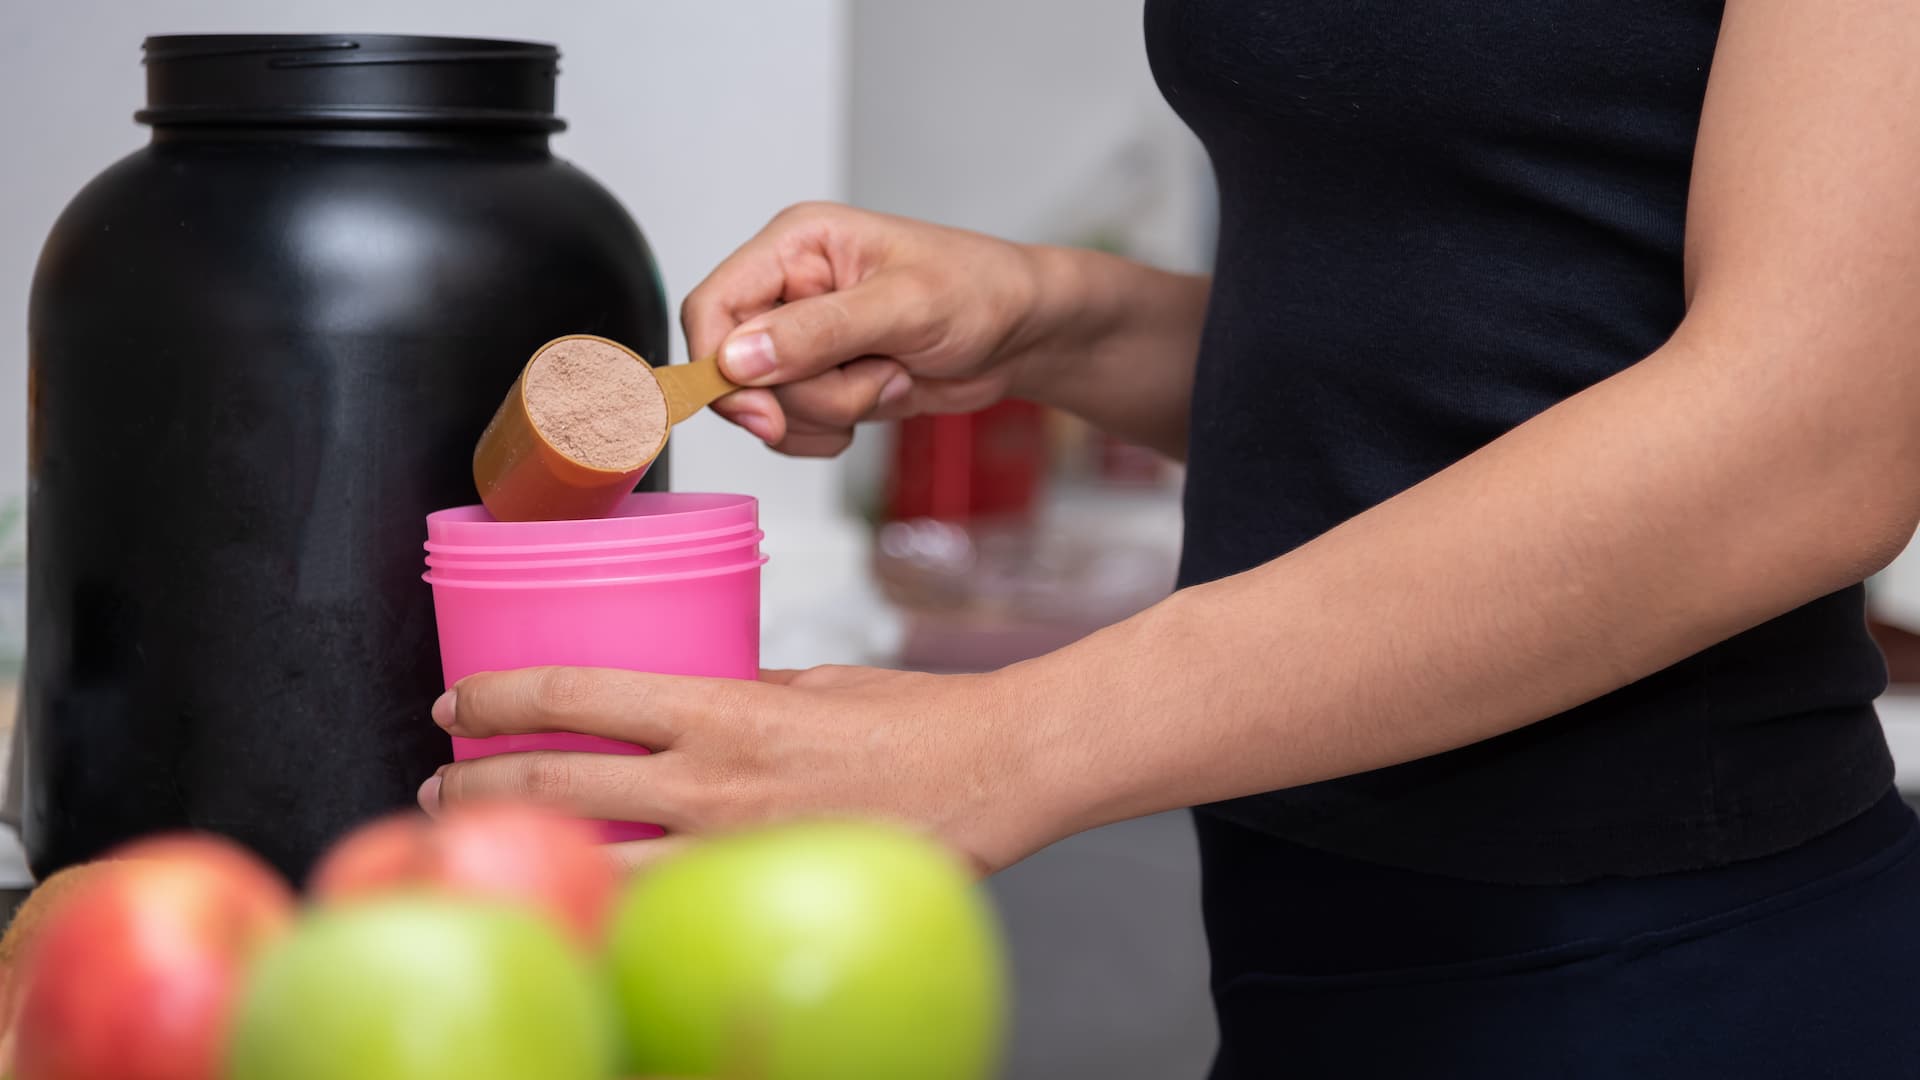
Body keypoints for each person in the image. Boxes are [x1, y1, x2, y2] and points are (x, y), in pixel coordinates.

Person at [418, 1, 1920, 1075]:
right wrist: (1049, 315)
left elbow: (1811, 440)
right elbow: (1481, 340)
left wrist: (1005, 745)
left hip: (1681, 959)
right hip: (1304, 928)